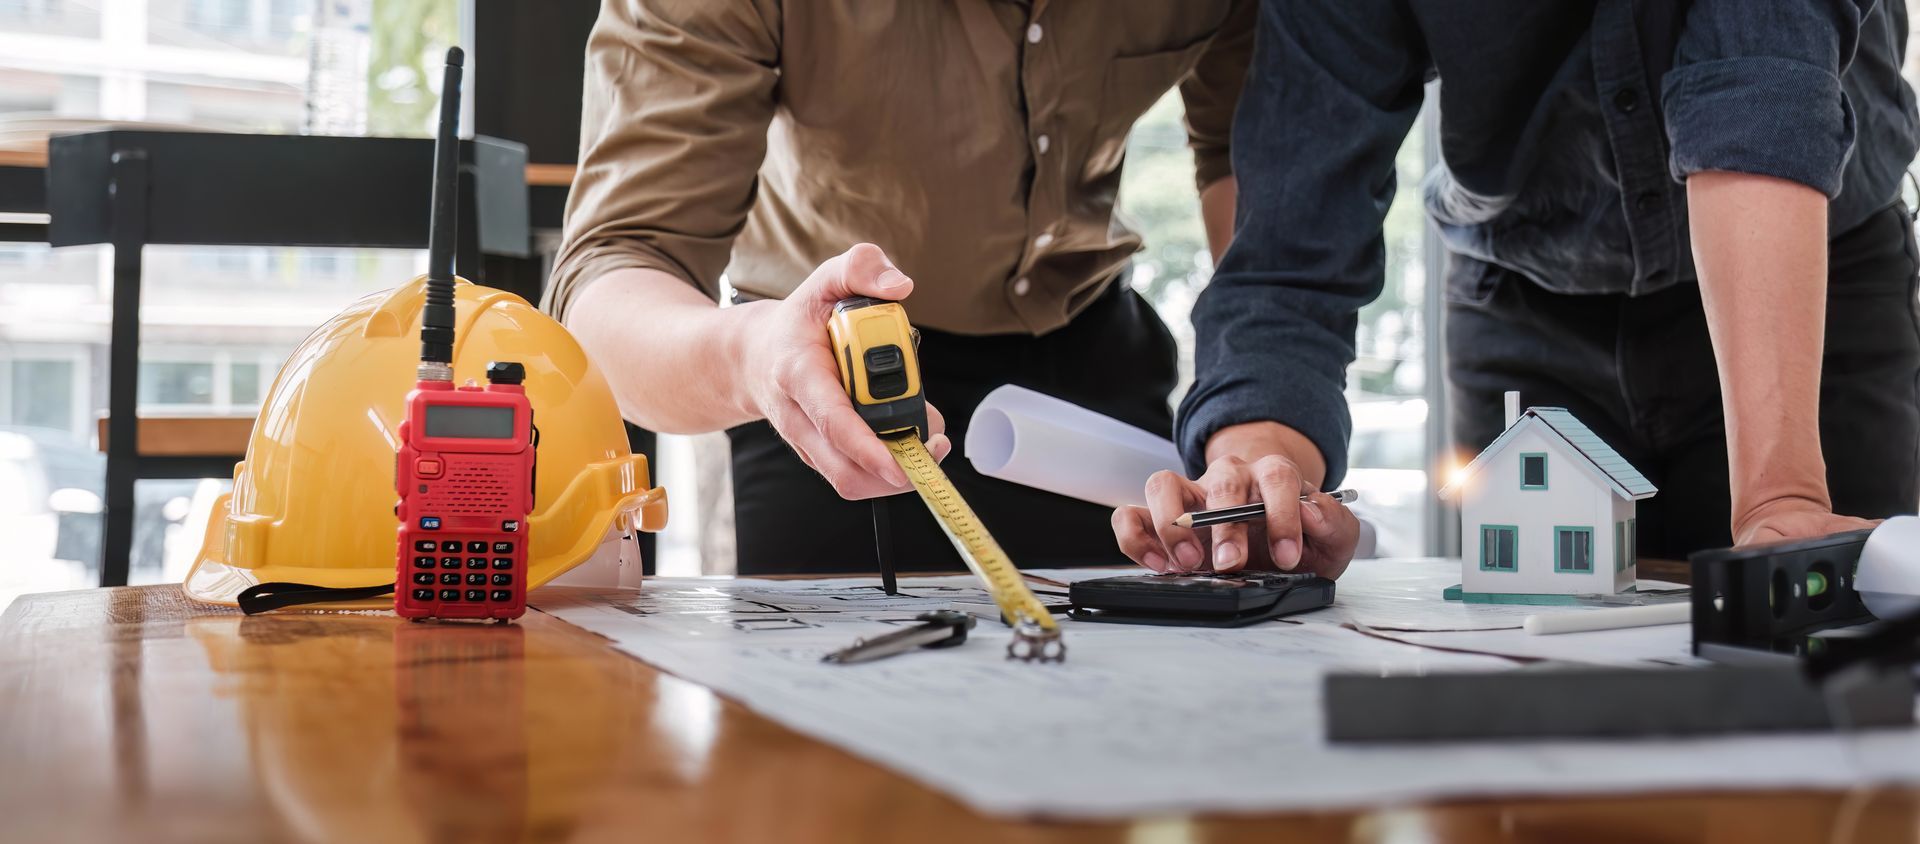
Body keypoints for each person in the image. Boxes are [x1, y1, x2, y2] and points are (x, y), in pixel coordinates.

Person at [1113, 0, 1920, 577]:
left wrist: (1781, 493)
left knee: (1829, 686)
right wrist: (1262, 477)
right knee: (1529, 687)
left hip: (1801, 278)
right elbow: (1293, 237)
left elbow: (1755, 95)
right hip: (1522, 289)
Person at [548, 1, 1256, 573]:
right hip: (822, 374)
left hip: (1092, 364)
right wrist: (753, 359)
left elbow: (1253, 170)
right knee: (818, 734)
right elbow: (615, 273)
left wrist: (1253, 403)